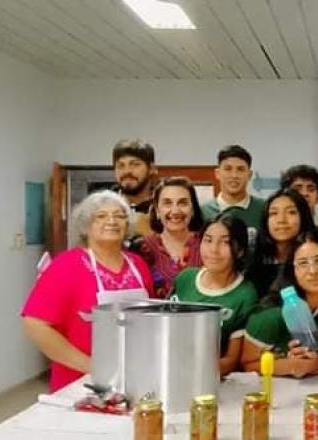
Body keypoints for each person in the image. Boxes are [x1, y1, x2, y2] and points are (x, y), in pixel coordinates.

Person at [22, 191, 153, 392]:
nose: (112, 221)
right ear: (85, 225)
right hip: (80, 381)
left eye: (119, 216)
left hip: (136, 377)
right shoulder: (66, 265)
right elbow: (34, 324)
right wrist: (92, 367)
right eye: (100, 216)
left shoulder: (138, 264)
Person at [241, 231, 318, 377]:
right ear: (292, 270)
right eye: (303, 263)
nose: (313, 271)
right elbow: (247, 365)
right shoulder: (271, 315)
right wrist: (290, 365)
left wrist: (316, 363)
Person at [171, 214, 258, 376]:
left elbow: (231, 361)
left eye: (225, 242)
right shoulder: (185, 278)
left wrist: (190, 372)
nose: (214, 249)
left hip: (210, 379)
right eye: (208, 240)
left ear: (240, 250)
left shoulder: (245, 294)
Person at [131, 176, 203, 298]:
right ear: (157, 210)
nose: (175, 211)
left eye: (183, 203)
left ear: (193, 209)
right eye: (167, 203)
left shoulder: (207, 244)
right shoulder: (141, 248)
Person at [248, 189, 316, 295]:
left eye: (291, 212)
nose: (281, 220)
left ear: (303, 217)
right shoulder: (254, 262)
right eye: (274, 213)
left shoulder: (316, 260)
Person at [200, 145, 265, 237]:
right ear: (217, 174)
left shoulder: (264, 208)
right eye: (228, 169)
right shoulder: (203, 211)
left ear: (249, 175)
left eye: (240, 169)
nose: (234, 175)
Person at [112, 139, 158, 239]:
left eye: (135, 164)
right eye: (121, 165)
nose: (127, 171)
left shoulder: (165, 207)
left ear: (152, 169)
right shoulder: (102, 207)